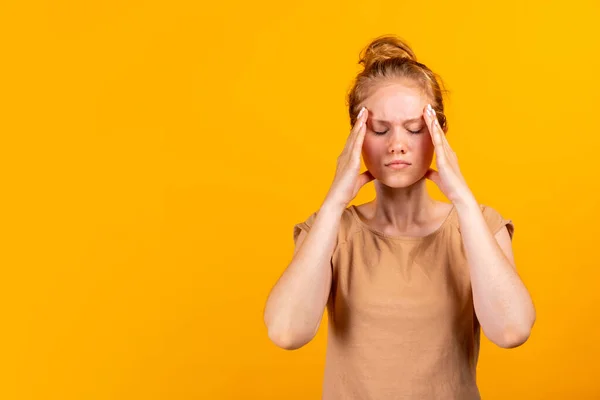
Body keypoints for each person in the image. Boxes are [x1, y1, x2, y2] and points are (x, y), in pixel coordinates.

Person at [263, 35, 536, 399]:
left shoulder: (479, 225)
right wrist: (333, 202)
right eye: (379, 129)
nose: (397, 144)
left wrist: (464, 202)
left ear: (439, 134)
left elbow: (512, 331)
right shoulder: (330, 231)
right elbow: (286, 332)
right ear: (356, 139)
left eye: (414, 128)